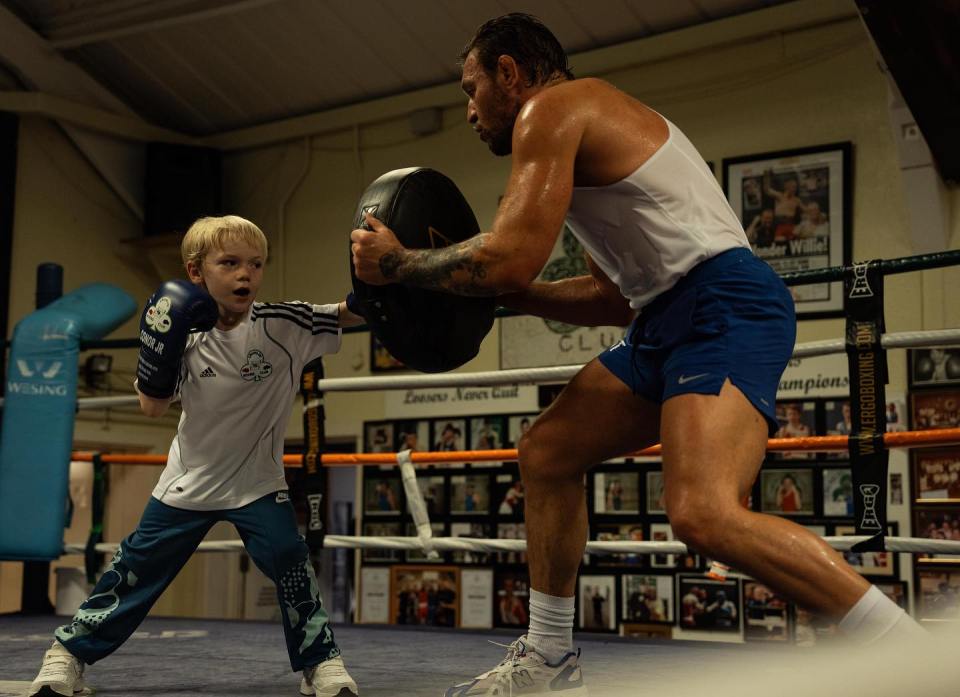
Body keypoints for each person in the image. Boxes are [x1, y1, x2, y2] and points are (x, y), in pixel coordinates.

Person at [350, 13, 924, 695]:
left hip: (723, 303)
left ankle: (913, 655)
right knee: (546, 452)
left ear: (511, 74)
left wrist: (400, 262)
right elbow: (610, 296)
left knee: (702, 513)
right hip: (664, 317)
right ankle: (549, 661)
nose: (470, 111)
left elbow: (507, 259)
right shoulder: (588, 138)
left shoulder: (554, 109)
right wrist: (516, 296)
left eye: (473, 90)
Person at [29, 215, 363, 697]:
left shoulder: (284, 324)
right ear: (196, 272)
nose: (245, 274)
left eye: (255, 264)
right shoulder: (182, 331)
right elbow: (151, 406)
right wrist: (160, 343)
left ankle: (322, 663)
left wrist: (382, 276)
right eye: (229, 263)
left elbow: (350, 312)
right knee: (134, 571)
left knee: (290, 561)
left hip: (256, 482)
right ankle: (66, 655)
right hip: (188, 482)